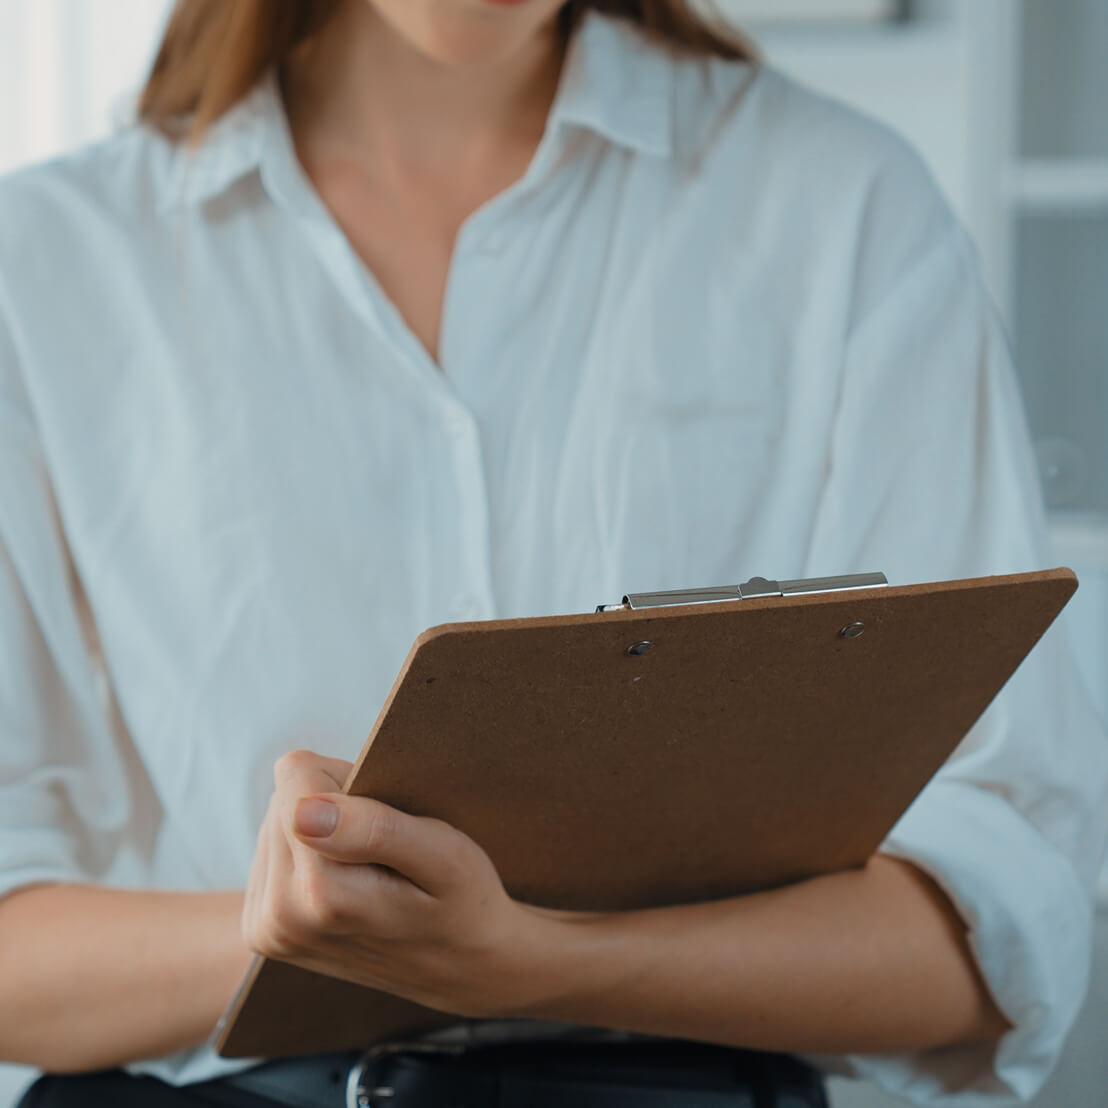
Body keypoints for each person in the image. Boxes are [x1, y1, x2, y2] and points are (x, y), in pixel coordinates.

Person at [0, 0, 1104, 1105]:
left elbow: (1001, 921)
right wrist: (325, 931)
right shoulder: (48, 263)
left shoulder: (837, 201)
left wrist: (535, 956)